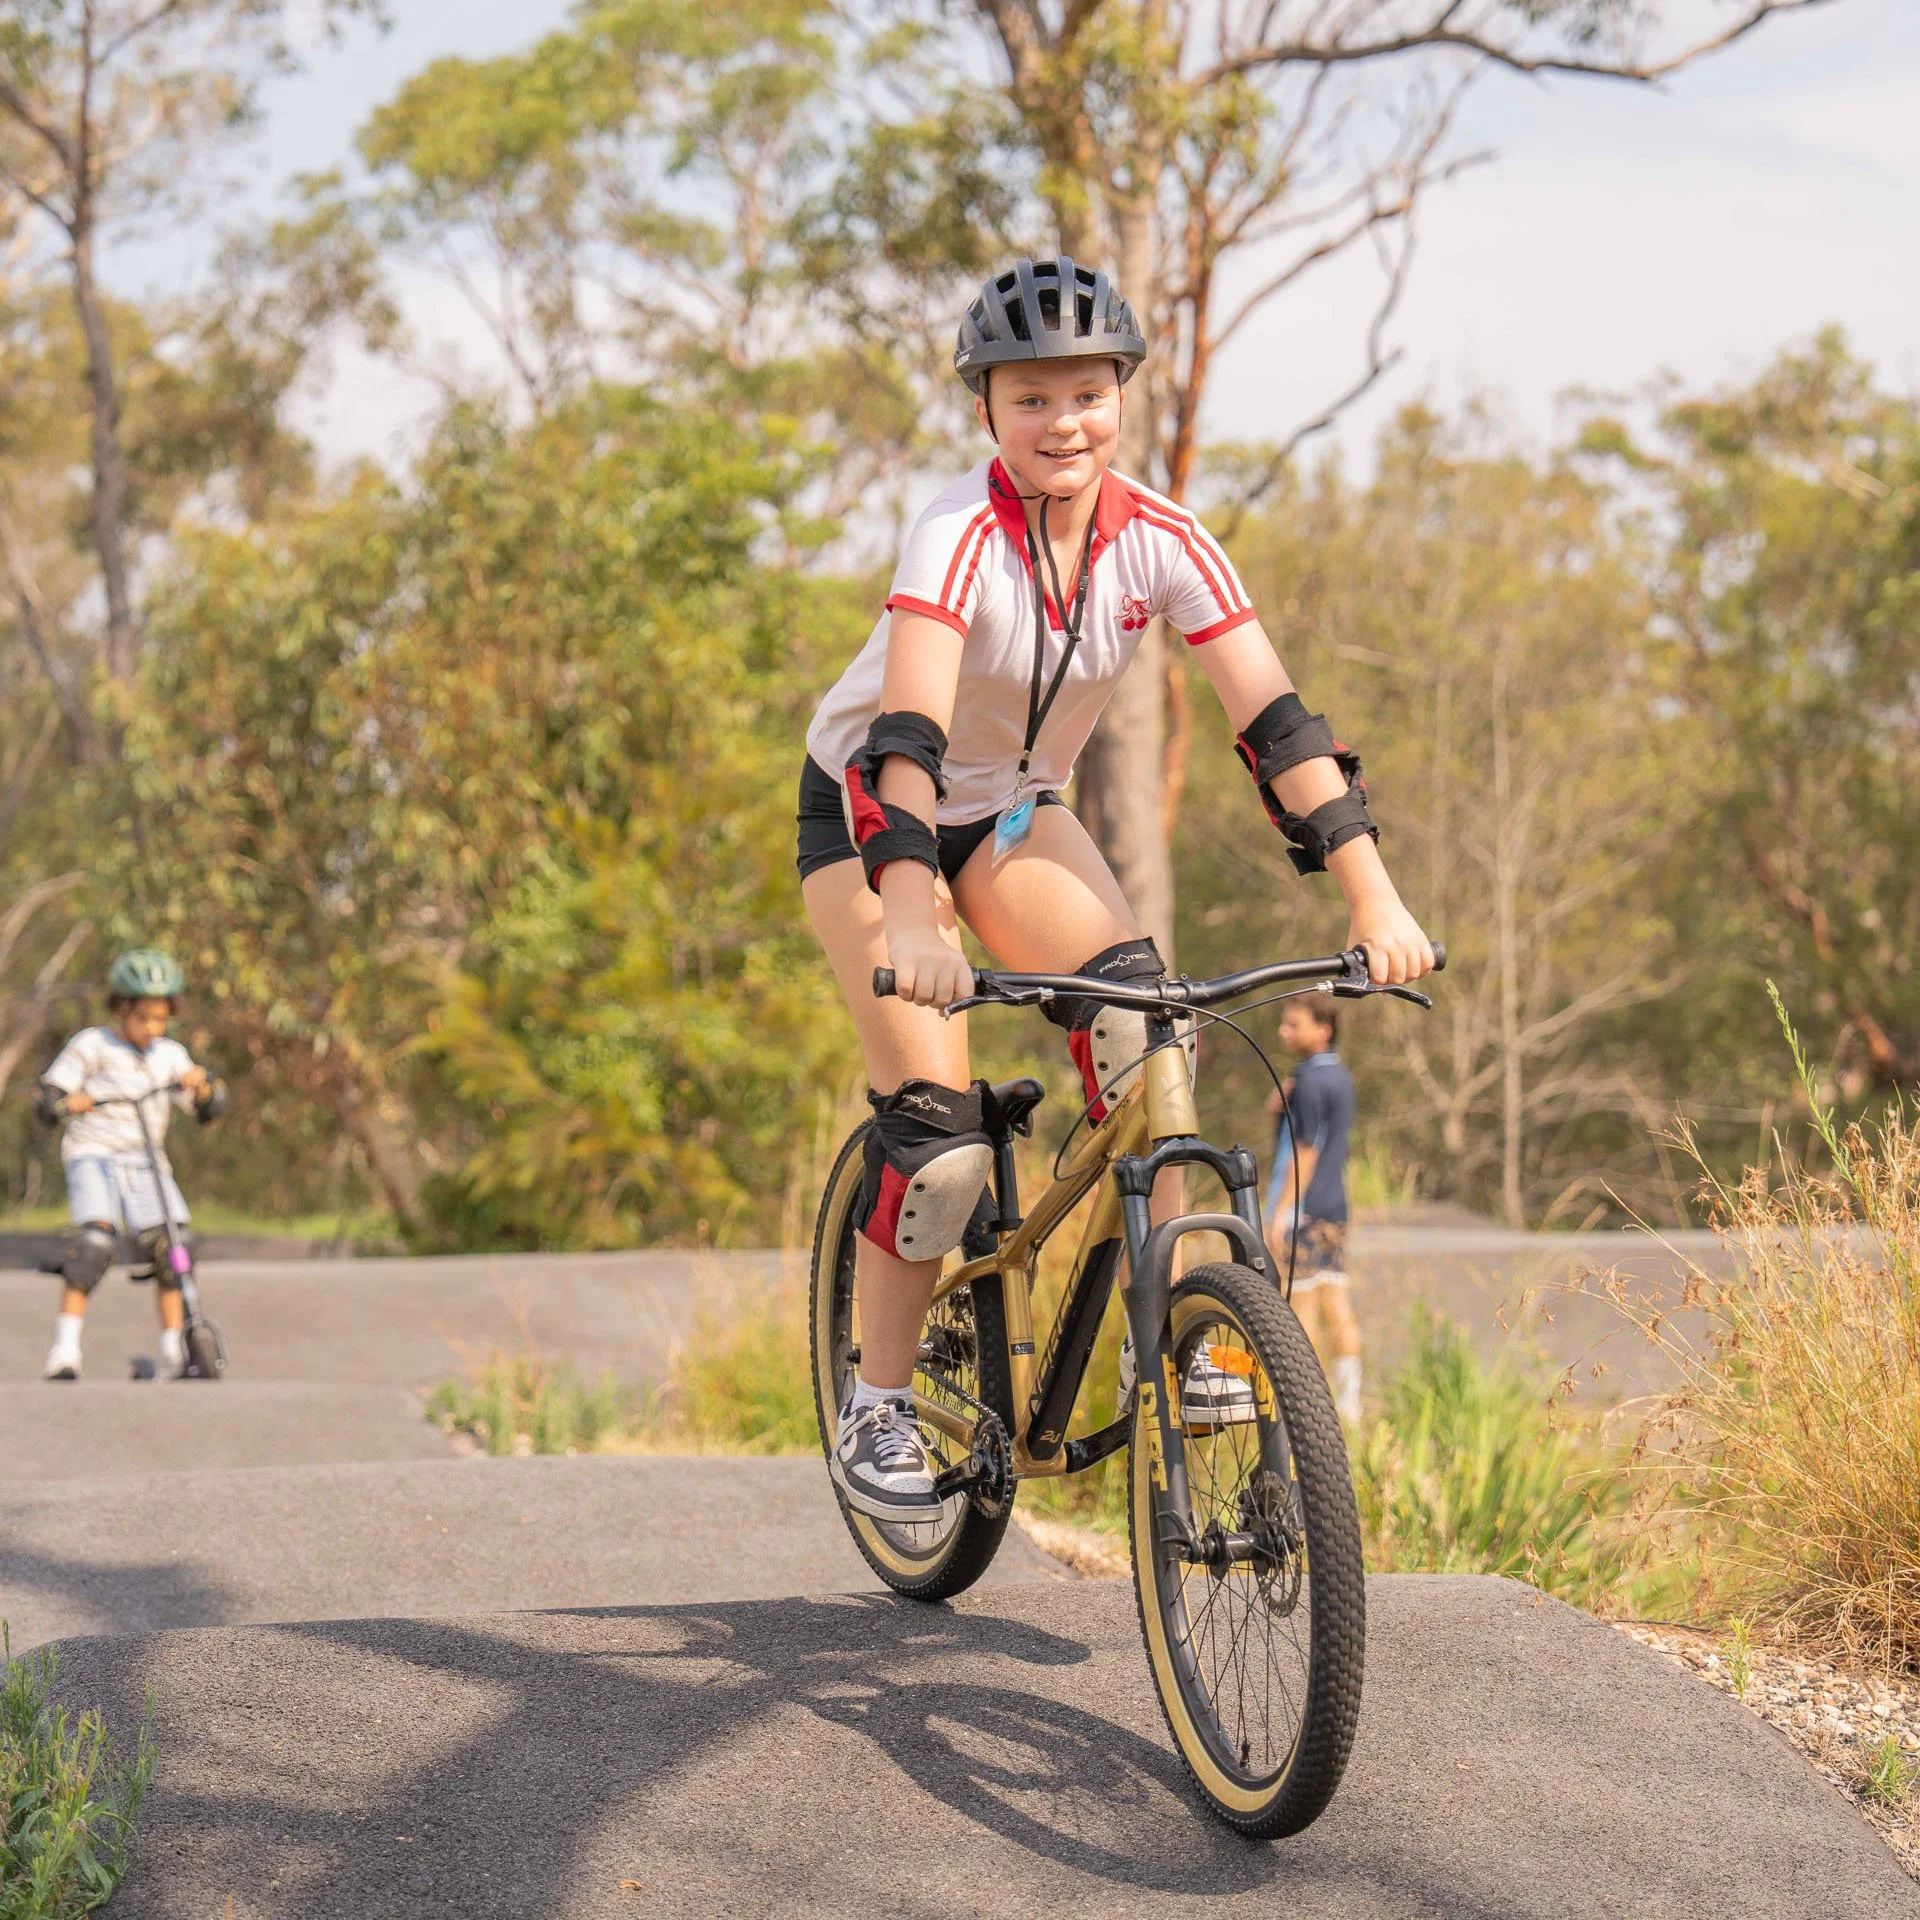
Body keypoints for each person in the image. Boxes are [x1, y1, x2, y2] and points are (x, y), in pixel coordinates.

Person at [797, 256, 1433, 1518]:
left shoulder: (1163, 539)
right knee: (936, 1137)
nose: (1063, 423)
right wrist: (916, 916)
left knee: (1153, 1038)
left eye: (1086, 394)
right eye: (1031, 399)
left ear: (1121, 398)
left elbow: (1280, 726)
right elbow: (907, 738)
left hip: (1019, 812)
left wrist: (1372, 893)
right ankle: (875, 1408)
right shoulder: (956, 536)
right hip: (879, 810)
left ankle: (1172, 1326)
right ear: (989, 410)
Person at [34, 949, 227, 1381]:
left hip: (146, 1160)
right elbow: (49, 1095)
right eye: (144, 1018)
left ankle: (174, 1351)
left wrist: (202, 1089)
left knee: (173, 1248)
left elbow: (206, 1106)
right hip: (94, 1152)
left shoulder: (169, 1055)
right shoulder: (92, 1045)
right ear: (121, 1010)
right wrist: (68, 1101)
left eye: (161, 1019)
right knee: (94, 1247)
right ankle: (64, 1350)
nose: (152, 1028)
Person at [1264, 992, 1363, 1421]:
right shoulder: (1339, 1077)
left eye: (1294, 1024)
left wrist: (1282, 1211)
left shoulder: (1307, 1083)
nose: (1285, 1032)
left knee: (1300, 1307)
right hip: (1335, 1205)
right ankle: (1351, 1402)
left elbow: (1305, 1151)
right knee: (1337, 1303)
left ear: (1322, 1030)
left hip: (1302, 1208)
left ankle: (1308, 1409)